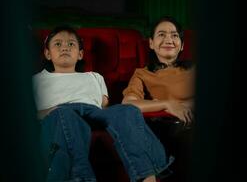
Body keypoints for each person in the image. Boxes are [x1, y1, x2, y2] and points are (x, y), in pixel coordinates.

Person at [32, 26, 173, 182]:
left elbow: (104, 104)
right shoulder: (38, 79)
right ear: (47, 53)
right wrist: (50, 111)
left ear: (80, 54)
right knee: (64, 116)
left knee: (128, 111)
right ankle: (80, 178)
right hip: (60, 111)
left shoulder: (94, 76)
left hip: (92, 110)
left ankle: (148, 174)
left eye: (71, 44)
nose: (65, 47)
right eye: (58, 44)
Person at [122, 16, 195, 182]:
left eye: (175, 35)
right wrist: (168, 104)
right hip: (164, 127)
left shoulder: (194, 70)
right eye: (161, 34)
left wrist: (186, 105)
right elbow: (128, 103)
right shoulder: (142, 73)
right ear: (151, 43)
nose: (168, 39)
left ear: (182, 45)